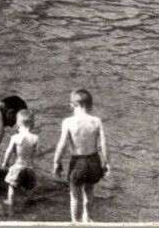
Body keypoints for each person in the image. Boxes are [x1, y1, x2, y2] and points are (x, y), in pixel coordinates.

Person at [54, 88, 110, 223]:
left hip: (78, 162)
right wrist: (106, 162)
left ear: (73, 105)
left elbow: (62, 145)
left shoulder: (68, 122)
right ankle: (87, 217)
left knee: (74, 195)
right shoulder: (96, 121)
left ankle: (75, 221)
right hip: (94, 160)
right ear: (90, 105)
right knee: (89, 191)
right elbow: (103, 144)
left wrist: (57, 161)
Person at [0, 108, 40, 208]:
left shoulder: (15, 137)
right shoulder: (35, 138)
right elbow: (38, 153)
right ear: (32, 124)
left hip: (18, 166)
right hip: (30, 167)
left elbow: (9, 151)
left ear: (18, 123)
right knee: (30, 187)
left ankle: (10, 201)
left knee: (12, 186)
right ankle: (28, 201)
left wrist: (5, 162)